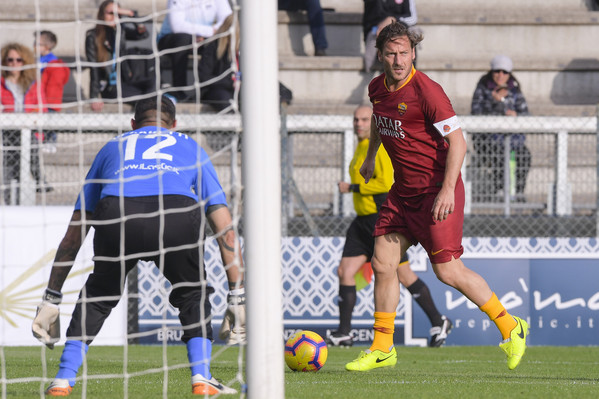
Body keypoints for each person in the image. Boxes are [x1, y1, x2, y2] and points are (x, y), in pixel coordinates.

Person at [31, 95, 245, 396]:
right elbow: (226, 231)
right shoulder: (190, 147)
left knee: (99, 294)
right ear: (174, 125)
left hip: (118, 212)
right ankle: (201, 378)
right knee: (192, 290)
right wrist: (237, 295)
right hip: (175, 214)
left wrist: (51, 297)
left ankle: (62, 380)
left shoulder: (112, 147)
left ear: (133, 124)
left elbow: (74, 234)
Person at [345, 22, 528, 372]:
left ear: (413, 53)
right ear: (379, 55)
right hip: (403, 192)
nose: (398, 60)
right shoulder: (376, 89)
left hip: (436, 190)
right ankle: (383, 347)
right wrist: (370, 157)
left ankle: (510, 326)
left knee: (448, 271)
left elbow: (458, 141)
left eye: (404, 53)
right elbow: (382, 124)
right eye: (391, 53)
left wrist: (447, 189)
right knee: (383, 262)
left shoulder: (427, 91)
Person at [326, 104, 452, 348]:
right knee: (345, 271)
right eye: (356, 120)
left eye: (364, 120)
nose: (358, 124)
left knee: (404, 275)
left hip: (378, 218)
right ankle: (344, 332)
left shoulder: (379, 149)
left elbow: (385, 184)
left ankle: (439, 320)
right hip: (361, 221)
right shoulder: (361, 147)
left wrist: (352, 188)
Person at [470, 55, 531, 202]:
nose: (500, 75)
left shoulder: (515, 89)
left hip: (512, 140)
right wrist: (496, 104)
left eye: (504, 72)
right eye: (497, 71)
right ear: (491, 72)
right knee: (499, 155)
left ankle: (518, 191)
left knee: (525, 156)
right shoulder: (483, 88)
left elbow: (525, 113)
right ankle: (498, 190)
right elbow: (476, 113)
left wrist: (515, 115)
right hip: (486, 140)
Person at [85, 0, 156, 112]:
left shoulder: (120, 32)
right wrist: (94, 97)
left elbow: (143, 33)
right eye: (110, 13)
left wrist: (131, 14)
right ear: (102, 14)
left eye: (117, 14)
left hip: (126, 81)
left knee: (153, 82)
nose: (114, 17)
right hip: (110, 86)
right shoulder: (92, 37)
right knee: (145, 99)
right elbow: (93, 69)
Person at [1, 42, 48, 203]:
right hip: (6, 132)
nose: (14, 64)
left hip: (29, 131)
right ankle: (8, 200)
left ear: (25, 61)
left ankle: (38, 179)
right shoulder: (1, 84)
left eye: (18, 60)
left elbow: (42, 108)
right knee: (8, 166)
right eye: (10, 60)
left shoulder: (34, 84)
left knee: (30, 149)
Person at [157, 0, 233, 101]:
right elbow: (177, 26)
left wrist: (205, 36)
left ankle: (215, 88)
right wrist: (208, 31)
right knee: (183, 39)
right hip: (172, 39)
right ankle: (179, 90)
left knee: (220, 41)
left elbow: (227, 21)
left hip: (204, 38)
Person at [34, 30, 70, 150]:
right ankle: (42, 140)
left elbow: (55, 82)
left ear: (47, 47)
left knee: (50, 121)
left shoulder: (52, 62)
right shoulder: (39, 60)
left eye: (37, 43)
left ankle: (51, 142)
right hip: (40, 99)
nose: (34, 46)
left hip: (50, 99)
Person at [198, 14, 239, 112]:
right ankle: (232, 126)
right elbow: (204, 77)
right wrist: (230, 82)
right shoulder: (213, 48)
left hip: (237, 89)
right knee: (226, 101)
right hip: (215, 90)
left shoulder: (247, 51)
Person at [362, 0, 418, 72]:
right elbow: (369, 22)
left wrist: (394, 19)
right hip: (378, 34)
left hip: (400, 29)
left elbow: (413, 18)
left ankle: (410, 76)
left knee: (406, 34)